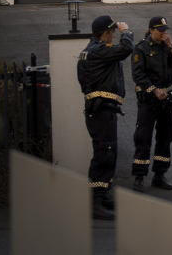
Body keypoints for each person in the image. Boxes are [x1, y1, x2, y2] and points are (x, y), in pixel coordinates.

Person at [77, 15, 133, 220]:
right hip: (101, 110)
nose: (114, 36)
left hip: (103, 109)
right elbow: (125, 49)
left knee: (108, 151)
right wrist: (126, 32)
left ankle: (103, 194)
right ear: (105, 33)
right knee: (104, 153)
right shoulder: (98, 50)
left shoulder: (91, 50)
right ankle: (95, 201)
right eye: (112, 33)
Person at [130, 16, 172, 192]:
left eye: (165, 30)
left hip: (166, 98)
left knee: (166, 135)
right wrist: (154, 90)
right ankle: (139, 175)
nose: (163, 33)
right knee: (143, 136)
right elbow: (138, 75)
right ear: (151, 30)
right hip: (149, 98)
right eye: (160, 30)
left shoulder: (167, 46)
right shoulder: (141, 48)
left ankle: (159, 174)